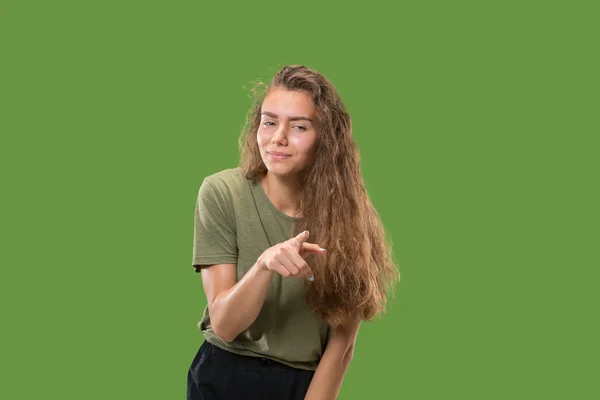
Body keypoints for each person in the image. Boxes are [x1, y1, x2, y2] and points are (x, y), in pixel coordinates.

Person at [187, 65, 400, 400]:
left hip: (303, 383)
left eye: (299, 126)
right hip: (225, 373)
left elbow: (341, 346)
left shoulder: (350, 214)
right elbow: (225, 325)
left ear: (326, 140)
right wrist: (263, 266)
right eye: (269, 121)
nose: (278, 138)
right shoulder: (222, 192)